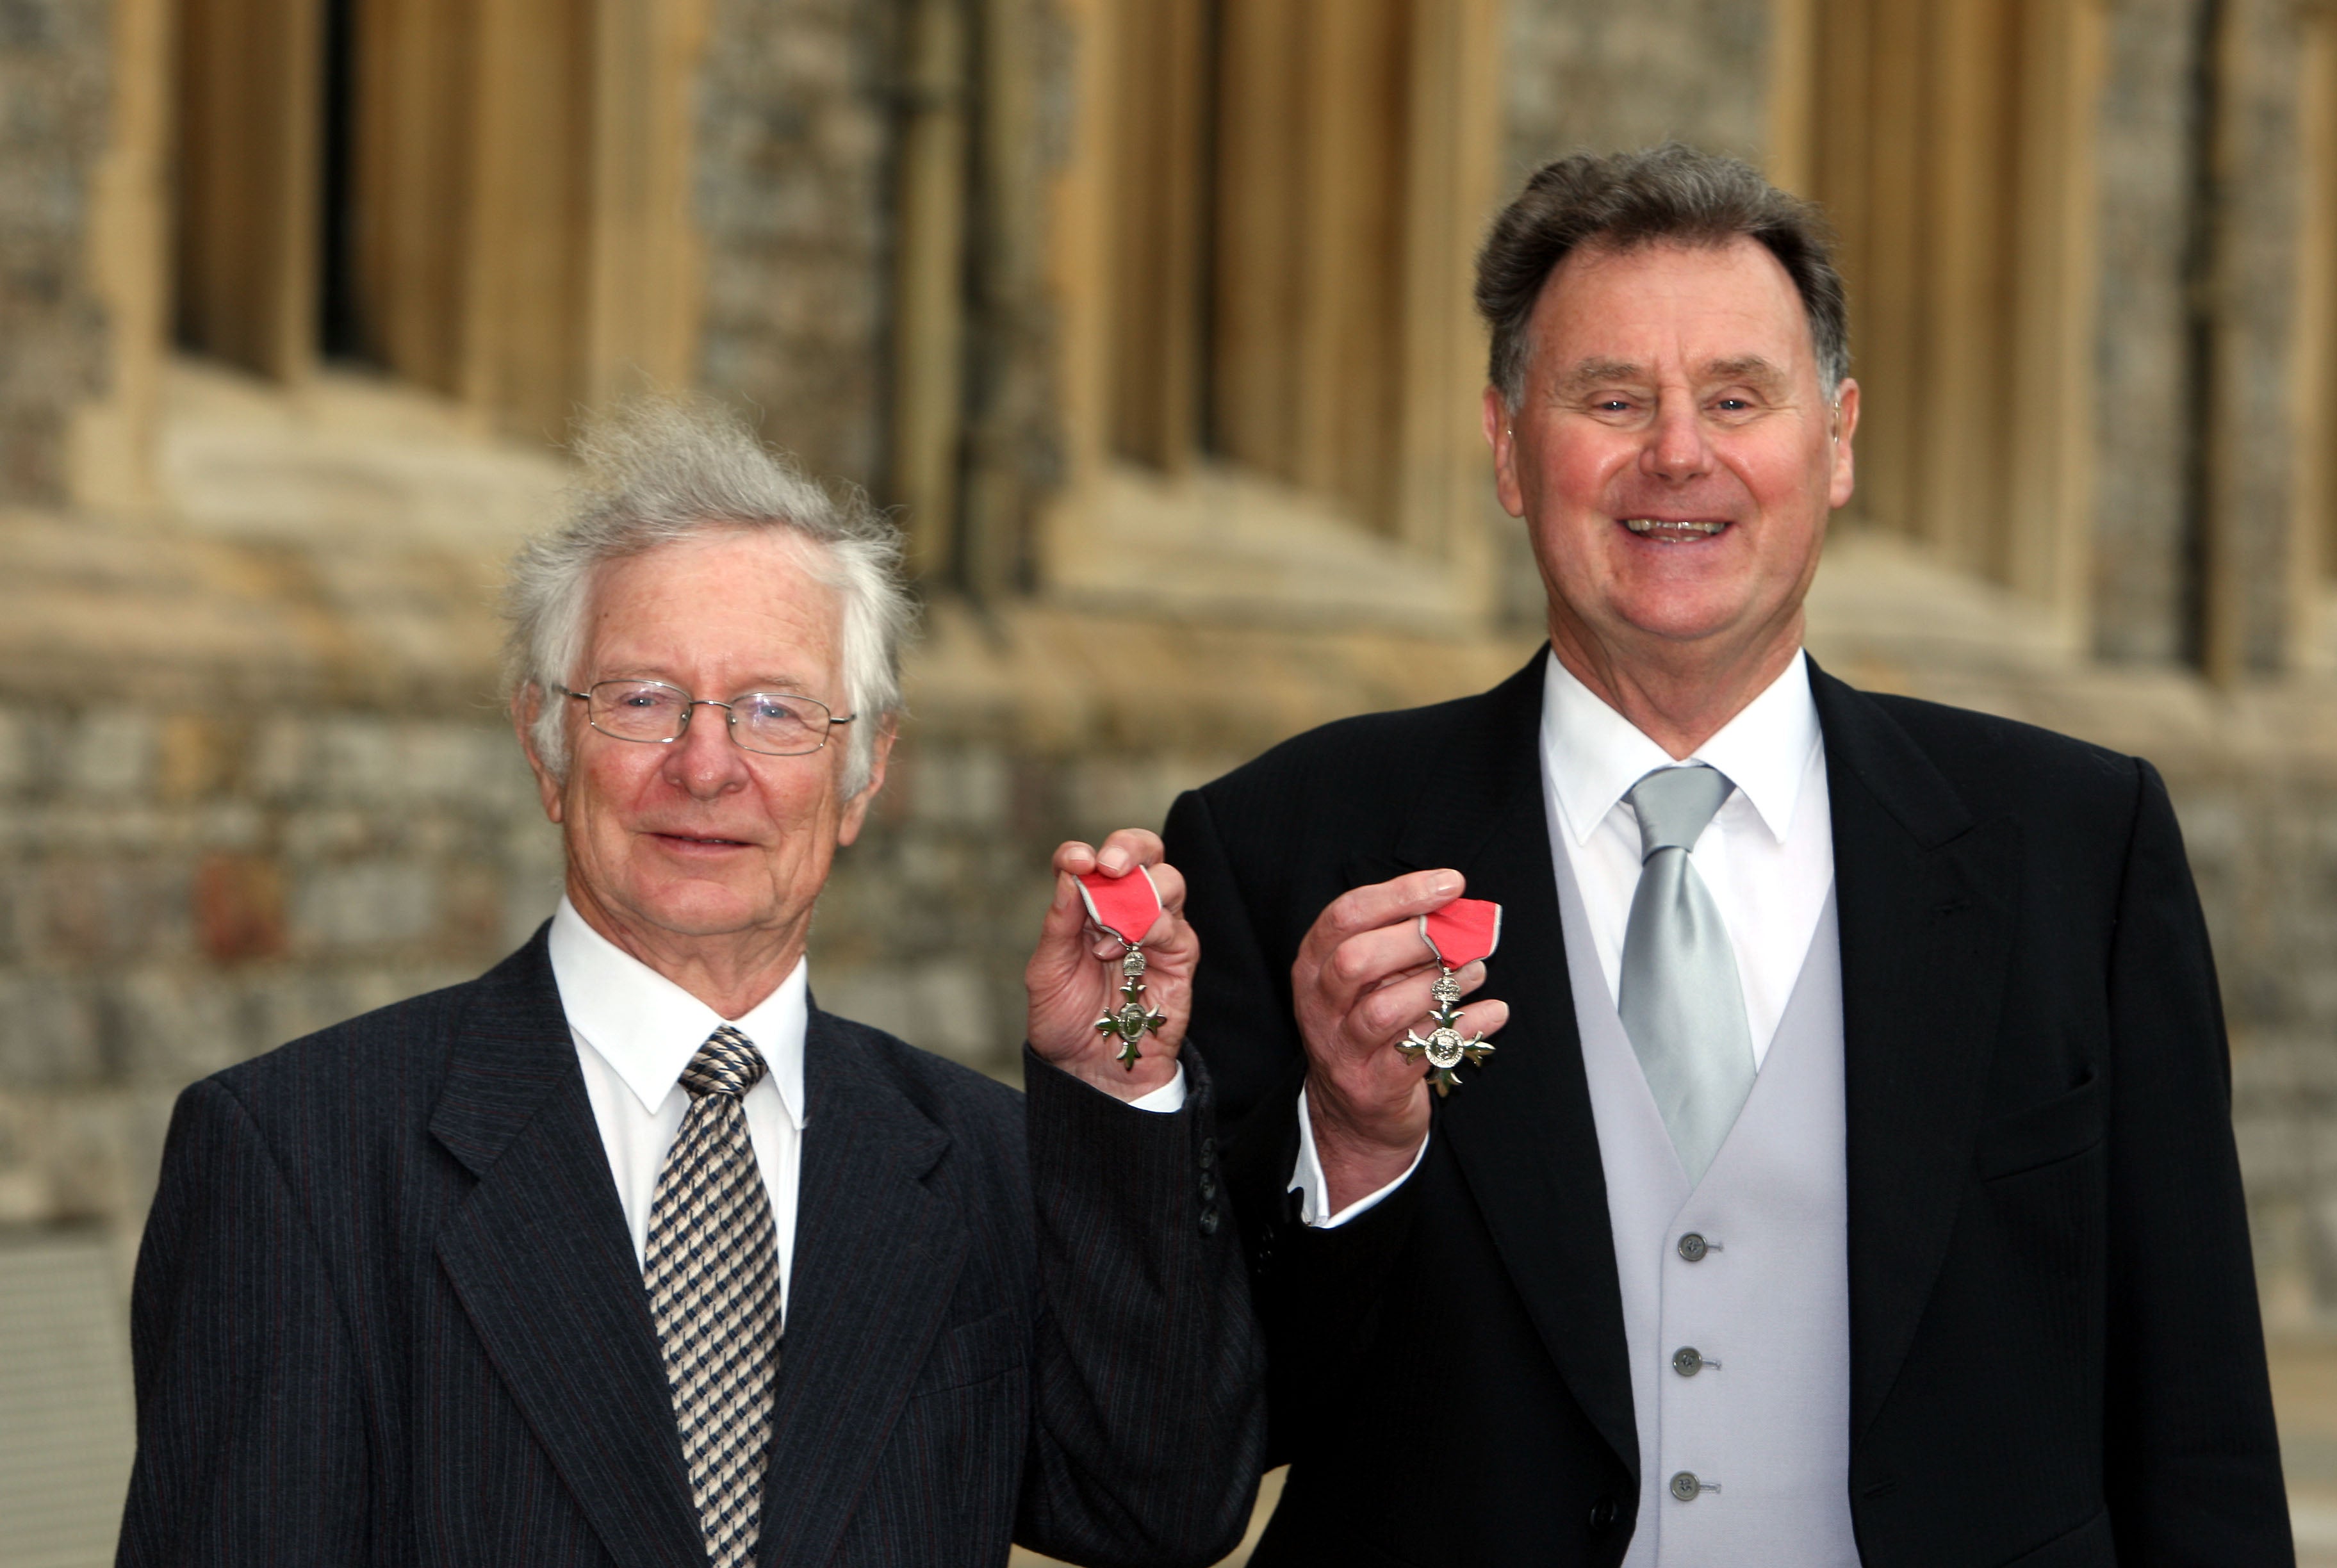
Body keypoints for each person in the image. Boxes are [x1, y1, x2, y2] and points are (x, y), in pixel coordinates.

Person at [1166, 145, 2292, 1565]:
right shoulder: (1286, 847)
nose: (1678, 454)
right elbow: (1186, 1447)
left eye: (1738, 399)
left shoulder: (2078, 845)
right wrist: (1347, 1146)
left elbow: (2195, 1430)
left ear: (1838, 440)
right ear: (1510, 449)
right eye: (1612, 398)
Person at [117, 400, 1263, 1567]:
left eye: (775, 710)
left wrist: (1118, 1098)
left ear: (864, 774)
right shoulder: (297, 1159)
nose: (707, 767)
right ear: (545, 745)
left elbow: (1159, 1509)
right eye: (643, 699)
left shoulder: (982, 1163)